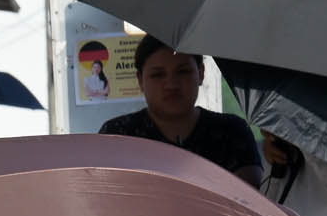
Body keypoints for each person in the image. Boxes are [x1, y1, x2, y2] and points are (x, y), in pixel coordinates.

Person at [97, 34, 263, 185]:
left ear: (201, 73)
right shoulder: (117, 136)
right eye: (157, 75)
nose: (171, 85)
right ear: (140, 79)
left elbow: (251, 203)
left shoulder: (232, 132)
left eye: (183, 72)